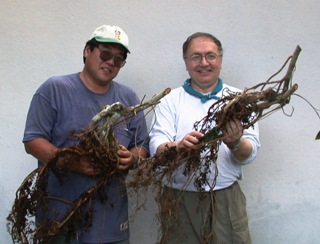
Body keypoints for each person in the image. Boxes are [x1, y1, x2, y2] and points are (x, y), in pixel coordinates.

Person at [23, 25, 149, 244]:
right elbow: (33, 141)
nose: (111, 62)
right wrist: (70, 162)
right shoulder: (55, 89)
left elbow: (142, 145)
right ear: (87, 51)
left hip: (111, 223)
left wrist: (132, 158)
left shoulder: (128, 97)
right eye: (105, 53)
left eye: (118, 59)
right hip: (60, 219)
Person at [149, 32, 260, 243]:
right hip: (178, 199)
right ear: (186, 63)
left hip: (225, 199)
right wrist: (177, 146)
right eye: (195, 57)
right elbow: (157, 146)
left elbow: (250, 153)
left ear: (220, 60)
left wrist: (235, 143)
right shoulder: (169, 101)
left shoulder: (239, 101)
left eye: (210, 56)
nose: (204, 63)